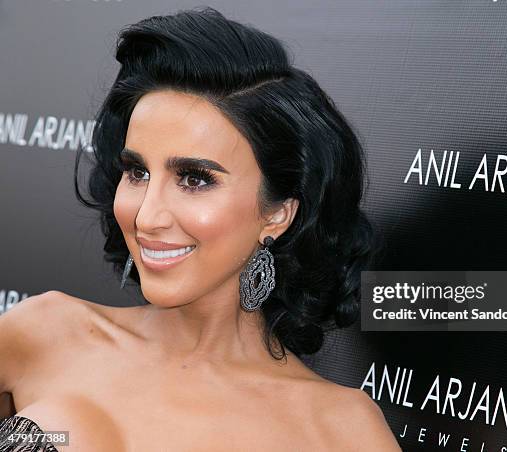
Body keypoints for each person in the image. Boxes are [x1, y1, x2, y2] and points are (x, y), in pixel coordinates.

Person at [0, 6, 401, 451]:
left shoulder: (340, 430)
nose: (147, 216)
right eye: (136, 172)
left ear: (278, 213)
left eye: (194, 179)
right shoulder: (42, 332)